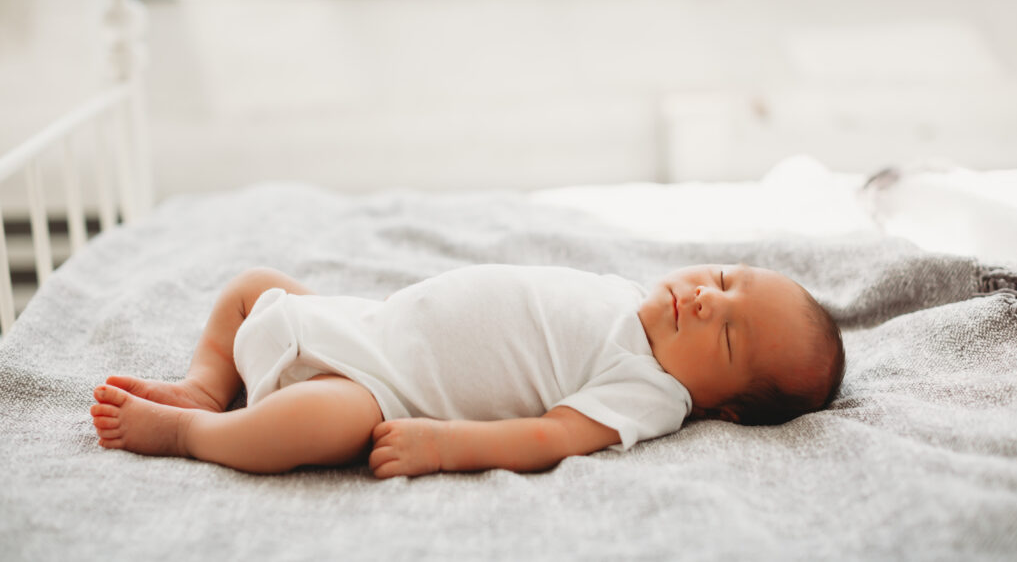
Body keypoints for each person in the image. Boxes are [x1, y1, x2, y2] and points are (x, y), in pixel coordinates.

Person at [90, 263, 845, 477]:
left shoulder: (651, 392)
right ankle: (203, 381)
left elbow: (548, 437)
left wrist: (443, 445)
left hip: (380, 387)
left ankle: (193, 430)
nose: (710, 302)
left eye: (730, 336)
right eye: (725, 278)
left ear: (724, 408)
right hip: (362, 323)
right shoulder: (628, 294)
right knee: (253, 288)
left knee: (322, 422)